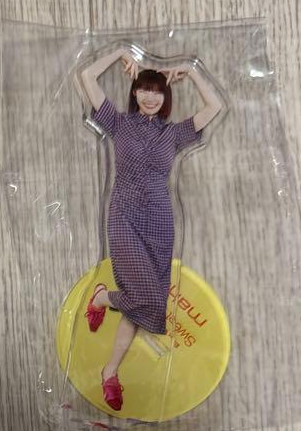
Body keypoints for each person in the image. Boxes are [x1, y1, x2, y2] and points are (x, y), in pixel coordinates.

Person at [78, 47, 224, 411]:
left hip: (160, 222)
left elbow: (215, 107)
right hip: (124, 217)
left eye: (157, 91)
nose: (150, 96)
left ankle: (109, 372)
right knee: (151, 299)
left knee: (142, 307)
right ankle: (102, 298)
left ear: (165, 97)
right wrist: (119, 52)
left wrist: (189, 71)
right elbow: (86, 77)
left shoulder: (173, 134)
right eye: (144, 88)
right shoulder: (119, 123)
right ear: (134, 91)